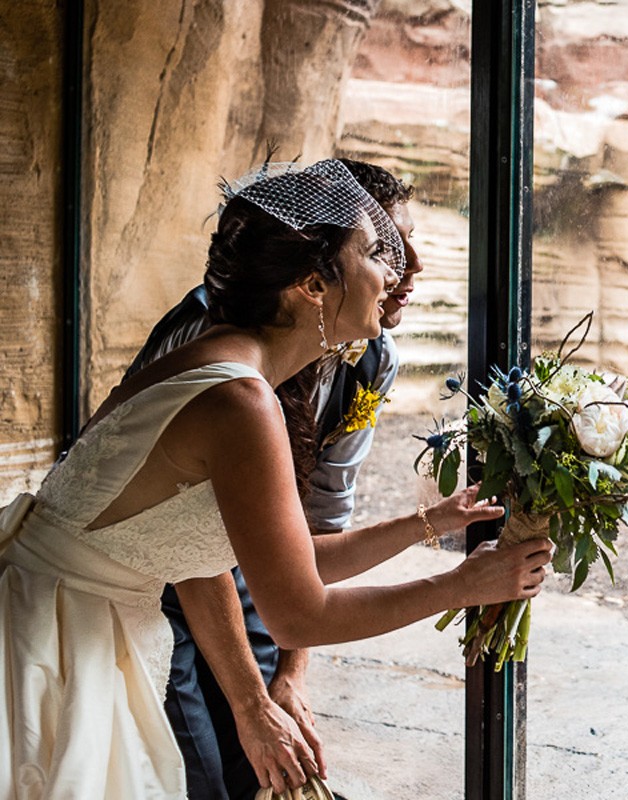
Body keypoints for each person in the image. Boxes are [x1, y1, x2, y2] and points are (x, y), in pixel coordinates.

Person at [0, 158, 552, 799]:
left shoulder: (238, 368)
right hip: (58, 640)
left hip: (83, 614)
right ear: (312, 286)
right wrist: (461, 585)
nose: (393, 272)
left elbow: (261, 558)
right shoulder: (241, 401)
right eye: (375, 253)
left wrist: (428, 523)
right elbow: (299, 614)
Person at [124, 160, 421, 798]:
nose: (408, 268)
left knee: (265, 771)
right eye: (384, 249)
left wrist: (291, 675)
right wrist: (251, 702)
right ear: (314, 277)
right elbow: (180, 540)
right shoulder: (221, 359)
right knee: (196, 771)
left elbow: (319, 520)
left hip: (244, 565)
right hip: (151, 581)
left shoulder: (370, 359)